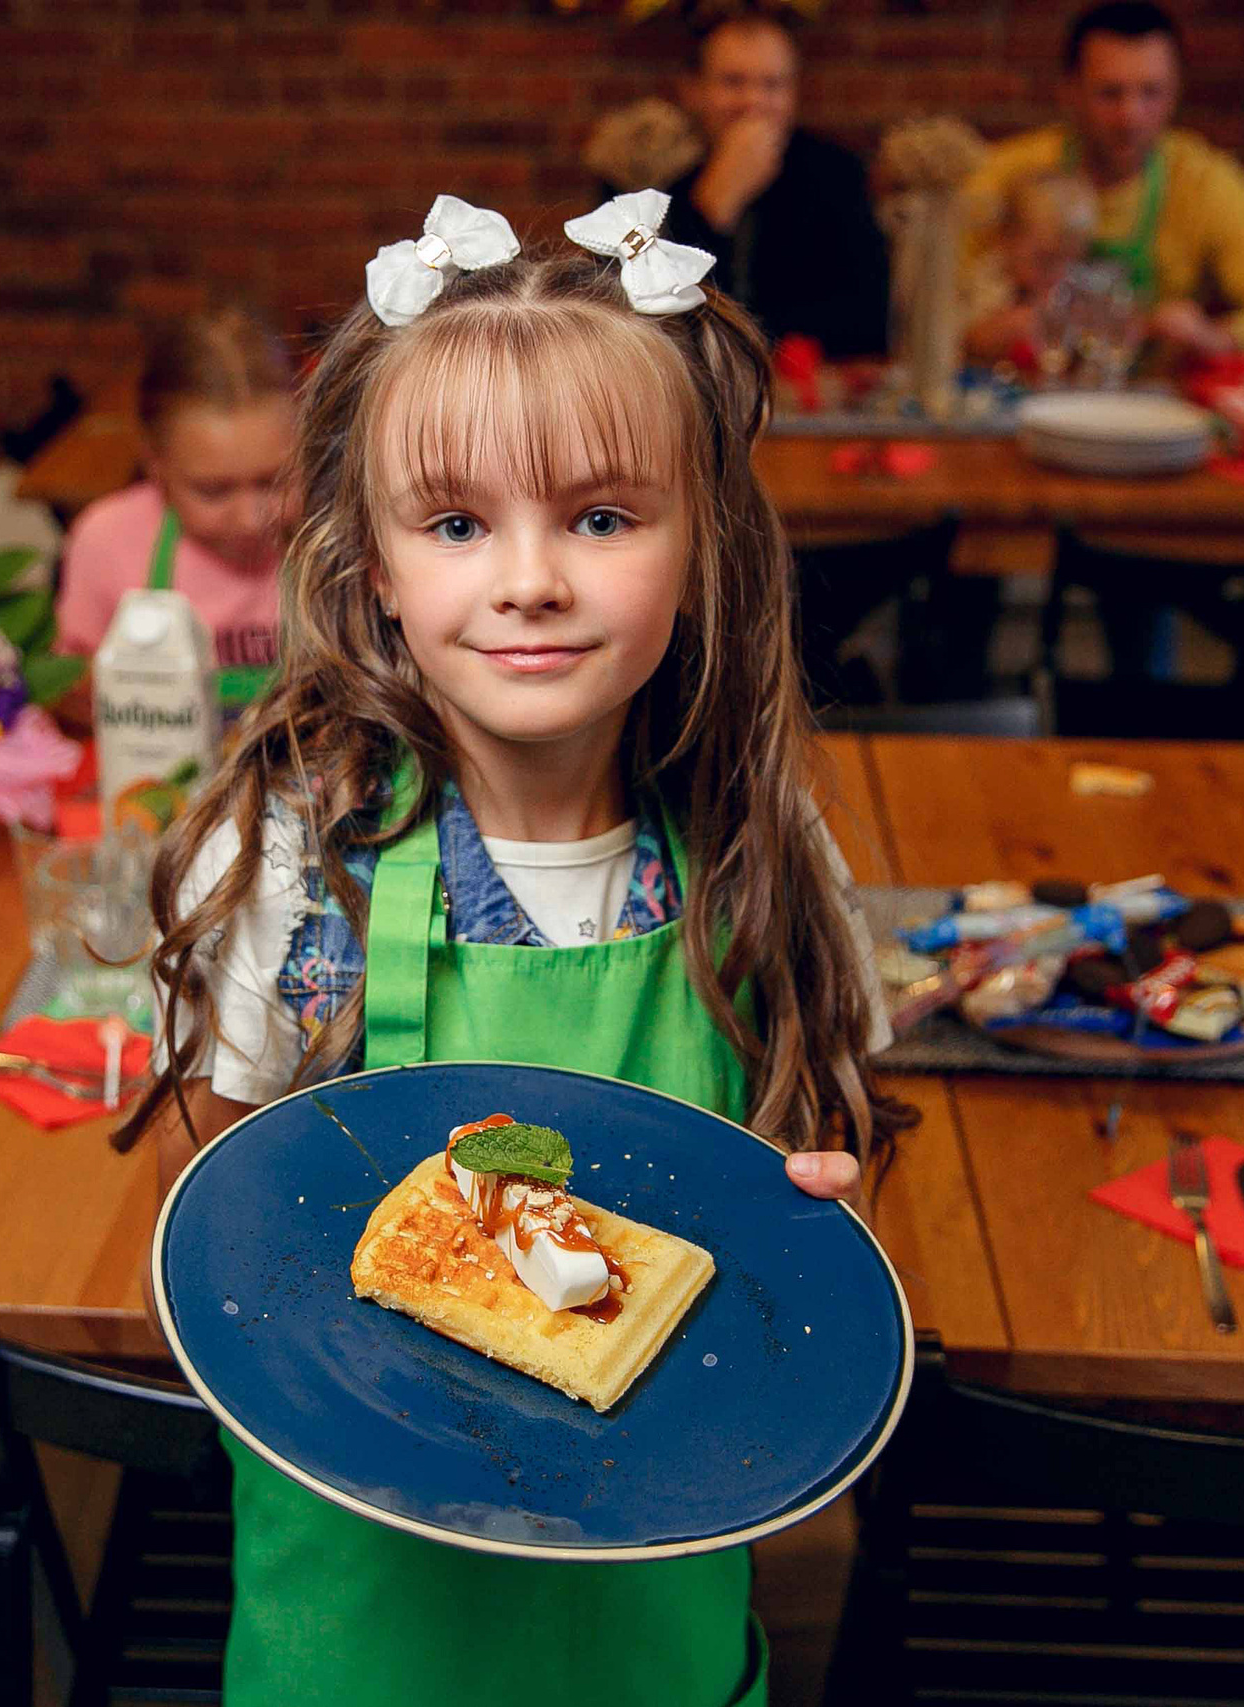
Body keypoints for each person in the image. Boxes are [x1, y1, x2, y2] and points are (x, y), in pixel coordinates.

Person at [122, 196, 908, 1706]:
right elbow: (209, 1207)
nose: (530, 578)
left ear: (703, 543)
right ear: (374, 561)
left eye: (602, 518)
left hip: (654, 1622)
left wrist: (816, 1220)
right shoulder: (297, 860)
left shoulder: (762, 851)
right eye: (458, 523)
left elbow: (829, 1161)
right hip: (363, 1630)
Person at [963, 1, 1244, 368]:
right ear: (1069, 91)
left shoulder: (1202, 181)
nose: (1130, 116)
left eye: (1151, 92)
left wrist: (1218, 338)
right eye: (1110, 93)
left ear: (1176, 93)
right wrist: (977, 334)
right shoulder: (1006, 175)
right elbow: (935, 302)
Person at [55, 307, 293, 712]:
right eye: (213, 491)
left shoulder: (340, 532)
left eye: (276, 481)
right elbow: (69, 691)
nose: (252, 518)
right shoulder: (106, 540)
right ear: (156, 466)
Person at [661, 15, 891, 357]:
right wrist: (713, 212)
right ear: (695, 91)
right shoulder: (672, 186)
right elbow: (671, 329)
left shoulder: (837, 174)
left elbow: (869, 322)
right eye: (733, 82)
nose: (753, 102)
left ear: (793, 94)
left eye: (772, 85)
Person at [962, 169, 1101, 368]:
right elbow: (949, 345)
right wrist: (978, 339)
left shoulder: (1075, 287)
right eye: (1045, 260)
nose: (1058, 274)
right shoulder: (980, 284)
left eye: (1070, 261)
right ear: (1006, 237)